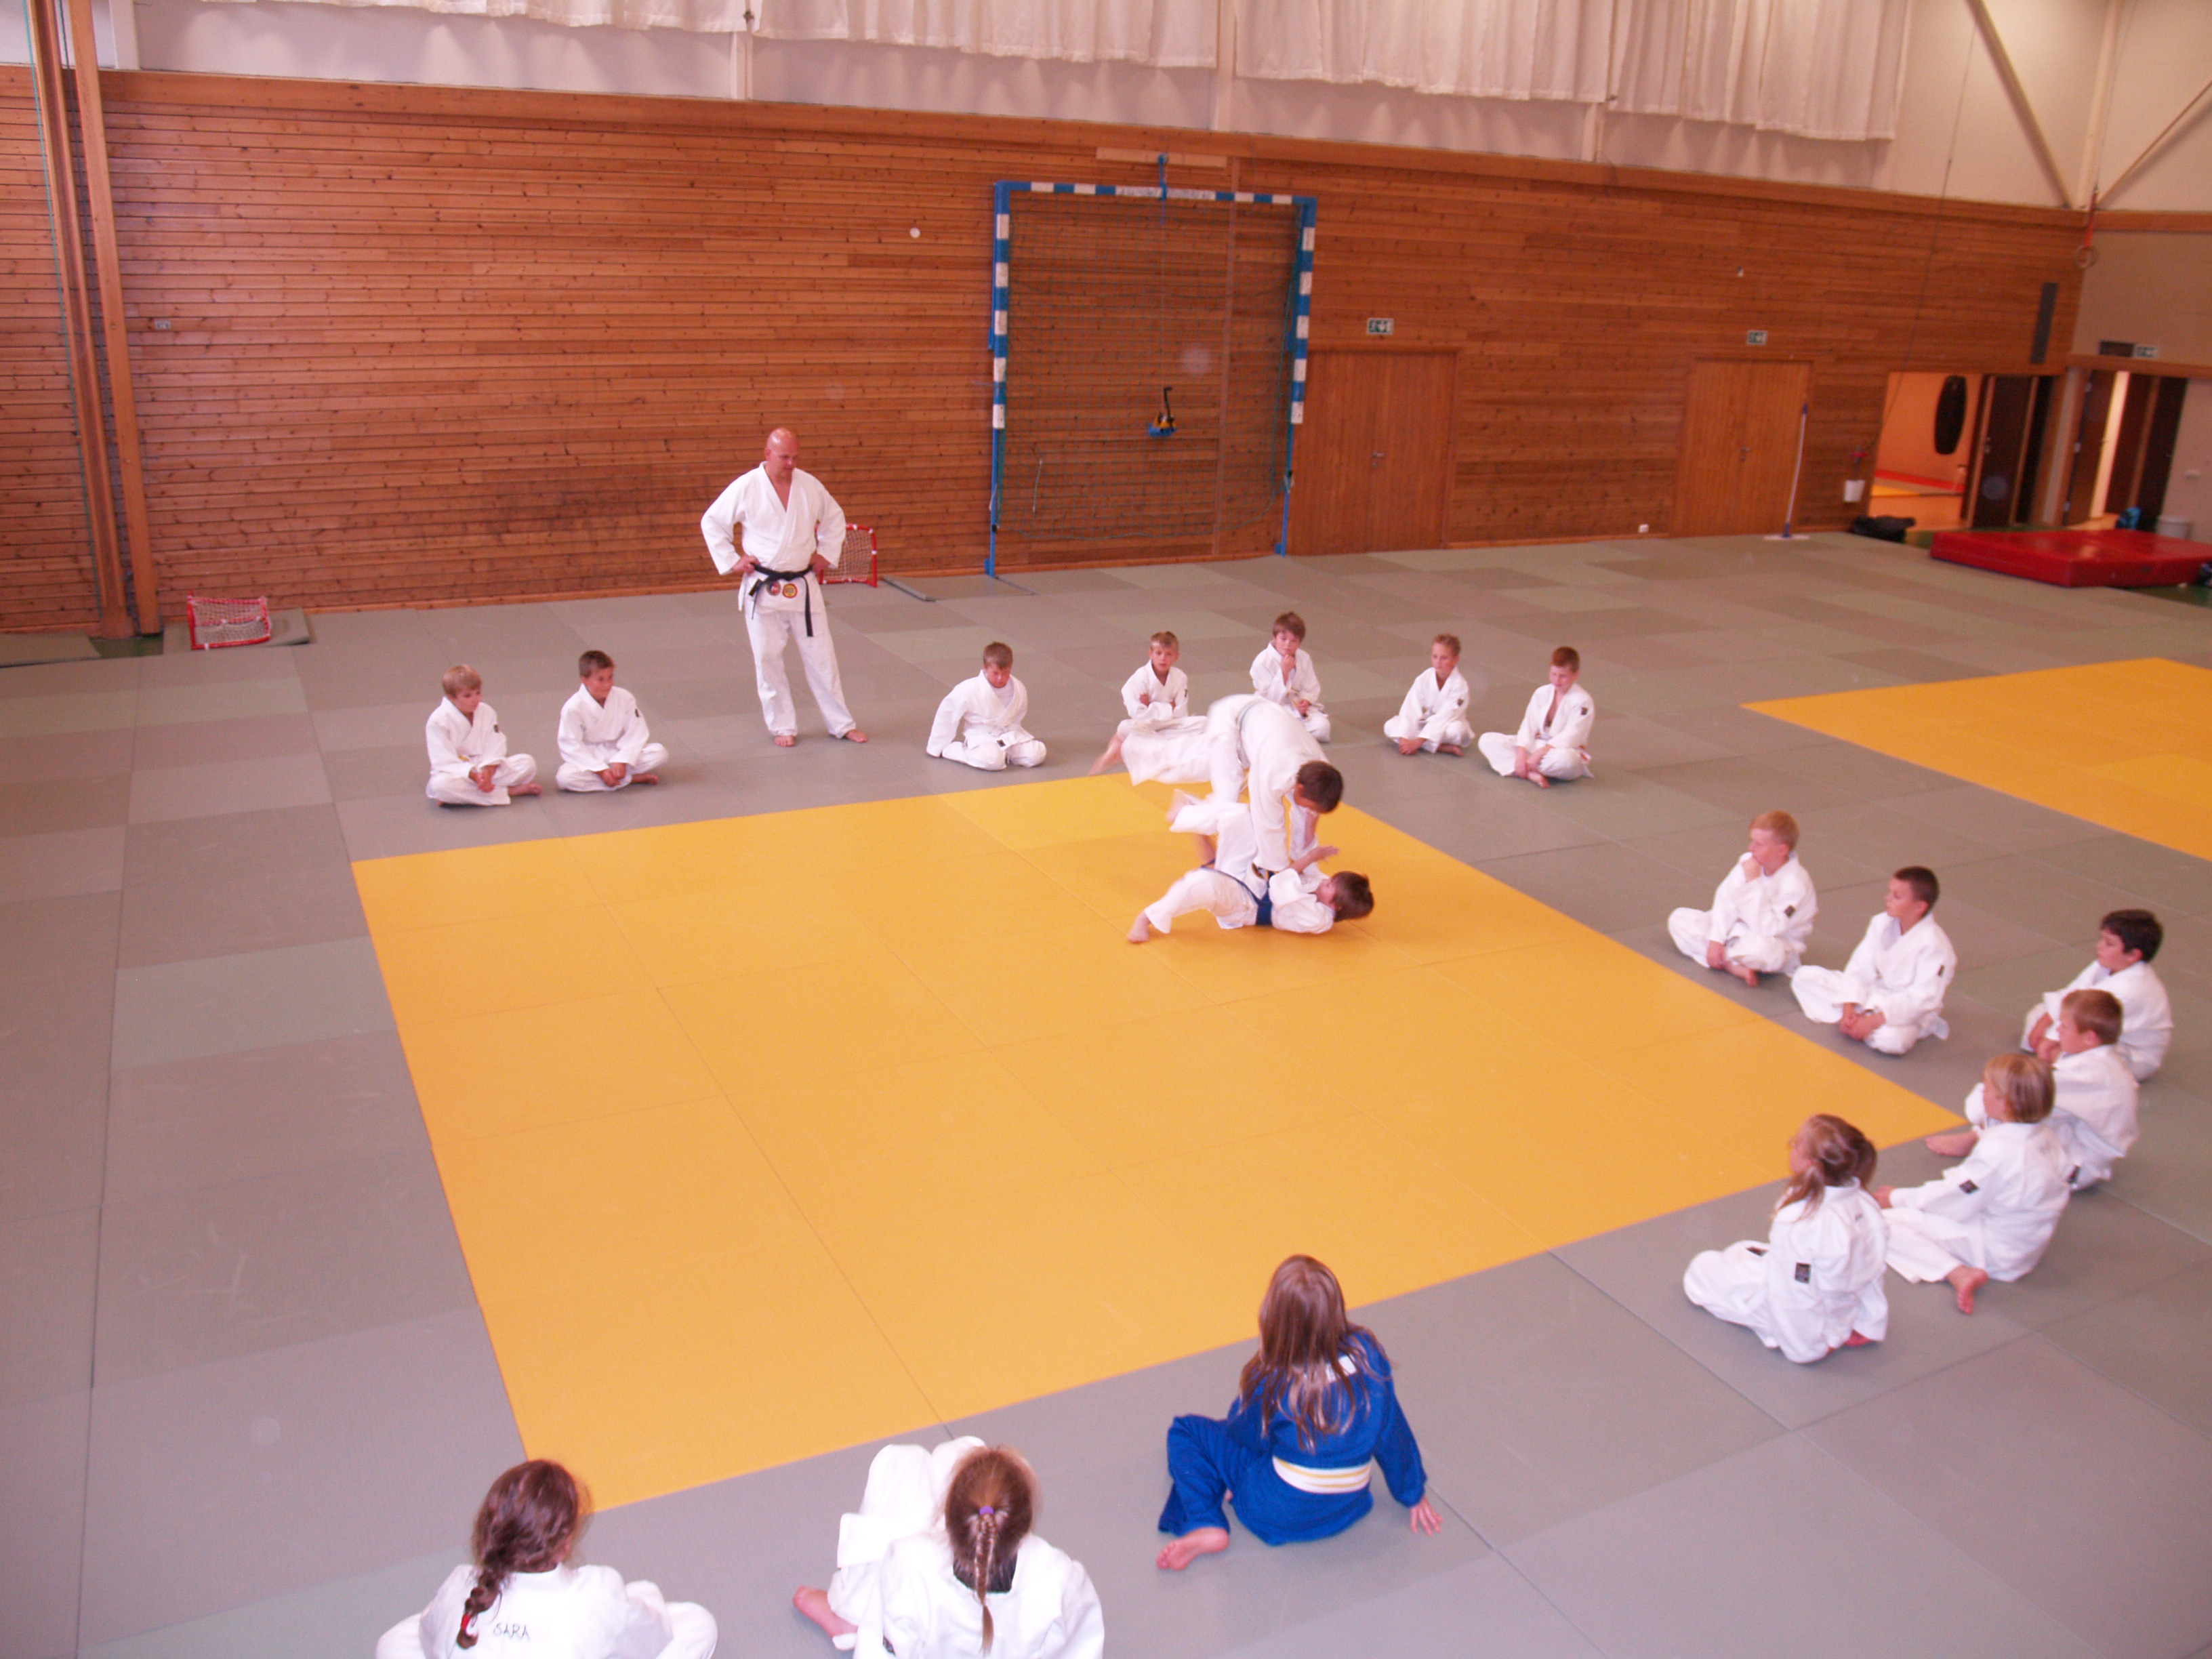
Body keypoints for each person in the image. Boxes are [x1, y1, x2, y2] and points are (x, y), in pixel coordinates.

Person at [1158, 1254, 1439, 1570]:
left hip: (1275, 1511)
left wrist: (1244, 1406)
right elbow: (1392, 1432)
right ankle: (1226, 1483)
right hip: (1348, 1505)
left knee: (1187, 1431)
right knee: (1291, 1441)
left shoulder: (1274, 1378)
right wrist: (1412, 1492)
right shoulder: (1368, 1355)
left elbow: (1243, 1433)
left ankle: (1205, 1522)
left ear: (1273, 1318)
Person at [793, 1438, 1103, 1659]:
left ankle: (847, 1616)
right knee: (965, 1449)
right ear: (1024, 1523)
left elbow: (883, 1650)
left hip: (914, 1598)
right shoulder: (1059, 1576)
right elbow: (1083, 1646)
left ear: (948, 1517)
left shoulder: (910, 1562)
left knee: (901, 1467)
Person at [377, 1460, 716, 1659]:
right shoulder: (599, 1593)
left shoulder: (460, 1584)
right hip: (601, 1616)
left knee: (395, 1641)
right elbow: (655, 1636)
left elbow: (425, 1634)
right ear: (565, 1542)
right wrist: (640, 1597)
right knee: (696, 1623)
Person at [699, 427, 867, 747]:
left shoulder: (809, 485)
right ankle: (782, 726)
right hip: (764, 588)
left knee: (823, 659)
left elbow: (834, 518)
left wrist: (826, 553)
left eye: (795, 458)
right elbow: (713, 521)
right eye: (785, 457)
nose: (791, 464)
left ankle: (841, 724)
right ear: (768, 454)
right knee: (768, 661)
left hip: (803, 586)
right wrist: (732, 560)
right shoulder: (748, 486)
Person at [1682, 1114, 1887, 1363]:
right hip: (1843, 1307)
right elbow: (1874, 1267)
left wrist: (1808, 1348)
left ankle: (1802, 1335)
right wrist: (1869, 1323)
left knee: (1701, 1269)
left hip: (1813, 1322)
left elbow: (1792, 1294)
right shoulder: (1865, 1203)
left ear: (1810, 1163)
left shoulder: (1801, 1221)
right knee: (1743, 1250)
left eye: (1795, 1144)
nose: (1791, 1148)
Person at [1876, 1054, 2070, 1313]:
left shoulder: (2000, 1151)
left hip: (1994, 1252)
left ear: (2006, 1103)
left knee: (1882, 1223)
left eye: (1987, 1089)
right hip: (2026, 1244)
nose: (1981, 1093)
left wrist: (1896, 1198)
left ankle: (1957, 1272)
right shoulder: (2045, 1136)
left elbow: (1952, 1198)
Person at [1935, 989, 2139, 1191]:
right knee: (2024, 1100)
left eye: (2064, 1026)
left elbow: (2020, 1092)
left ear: (2089, 1038)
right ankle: (1980, 1136)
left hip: (2073, 1168)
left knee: (2009, 1101)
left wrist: (1986, 1099)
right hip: (2082, 1147)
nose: (2058, 1030)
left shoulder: (2088, 1074)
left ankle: (1979, 1139)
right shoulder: (2106, 1061)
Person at [1129, 790, 1372, 942]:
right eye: (1331, 879)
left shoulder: (1318, 920)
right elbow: (1305, 861)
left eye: (1330, 885)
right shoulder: (1321, 888)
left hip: (1244, 905)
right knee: (1244, 817)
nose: (1326, 881)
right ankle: (1186, 815)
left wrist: (1309, 859)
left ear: (1335, 906)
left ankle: (1146, 918)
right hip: (1253, 877)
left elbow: (1280, 886)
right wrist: (1310, 827)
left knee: (1201, 883)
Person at [1790, 866, 1954, 1055]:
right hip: (1873, 994)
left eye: (1897, 896)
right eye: (1889, 892)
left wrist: (1875, 1020)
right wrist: (1849, 1005)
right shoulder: (1881, 923)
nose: (1887, 899)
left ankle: (1864, 1024)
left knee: (1893, 1041)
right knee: (1804, 977)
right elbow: (1859, 968)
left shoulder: (1935, 946)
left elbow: (1922, 999)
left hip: (1904, 1010)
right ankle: (1857, 1020)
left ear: (1919, 907)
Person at [1666, 810, 1818, 986]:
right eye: (1751, 841)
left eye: (1759, 844)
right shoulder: (1748, 861)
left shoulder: (1795, 884)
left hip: (1774, 941)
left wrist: (1754, 883)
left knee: (1763, 952)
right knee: (1679, 919)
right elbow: (1726, 901)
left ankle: (1723, 958)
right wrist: (1716, 939)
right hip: (1736, 929)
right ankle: (1731, 964)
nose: (1751, 848)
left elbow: (1768, 928)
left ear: (1781, 850)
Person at [2022, 909, 2171, 1081]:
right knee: (2038, 1014)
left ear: (2133, 955)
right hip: (2086, 1024)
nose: (2099, 946)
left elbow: (2087, 1022)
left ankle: (2060, 1058)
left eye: (2109, 943)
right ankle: (2056, 1054)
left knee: (2083, 1056)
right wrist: (2044, 1023)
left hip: (2131, 1053)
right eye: (2102, 939)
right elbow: (2072, 995)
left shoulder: (2130, 990)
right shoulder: (2108, 963)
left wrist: (2048, 1040)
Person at [1476, 646, 1593, 785]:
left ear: (1576, 675)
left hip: (1560, 751)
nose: (1556, 680)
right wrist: (1521, 752)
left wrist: (1539, 754)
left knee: (1567, 761)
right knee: (1486, 740)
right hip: (1537, 745)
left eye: (1563, 676)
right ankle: (1530, 773)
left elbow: (1573, 735)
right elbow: (1528, 725)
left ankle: (1520, 768)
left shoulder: (1582, 701)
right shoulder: (1541, 693)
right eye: (1553, 674)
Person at [426, 665, 539, 806]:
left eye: (478, 693)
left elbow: (496, 744)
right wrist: (473, 775)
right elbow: (443, 760)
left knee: (528, 763)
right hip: (459, 772)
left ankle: (465, 795)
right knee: (440, 786)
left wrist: (488, 771)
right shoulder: (438, 720)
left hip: (484, 765)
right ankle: (507, 792)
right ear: (451, 697)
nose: (475, 700)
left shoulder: (486, 711)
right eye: (468, 696)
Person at [1091, 631, 1202, 775]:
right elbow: (1137, 713)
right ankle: (1162, 746)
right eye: (1159, 653)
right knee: (1125, 727)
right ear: (1150, 654)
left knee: (1203, 723)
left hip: (1171, 726)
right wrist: (1169, 706)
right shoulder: (1141, 677)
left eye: (1168, 654)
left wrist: (1151, 706)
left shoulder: (1180, 677)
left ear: (1176, 656)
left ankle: (1155, 745)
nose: (1163, 658)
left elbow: (1180, 712)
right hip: (1146, 726)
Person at [556, 651, 668, 792]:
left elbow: (637, 732)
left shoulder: (624, 697)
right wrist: (600, 770)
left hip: (617, 751)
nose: (607, 684)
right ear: (584, 680)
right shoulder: (573, 707)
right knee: (565, 778)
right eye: (600, 680)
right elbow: (570, 744)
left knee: (659, 753)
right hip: (591, 756)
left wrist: (622, 760)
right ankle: (631, 779)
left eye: (610, 678)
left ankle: (615, 777)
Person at [927, 642, 1046, 771]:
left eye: (1005, 673)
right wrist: (937, 746)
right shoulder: (969, 688)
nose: (1000, 678)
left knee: (1037, 754)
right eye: (995, 673)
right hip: (982, 736)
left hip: (1009, 734)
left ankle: (1007, 753)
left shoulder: (1018, 688)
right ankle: (954, 751)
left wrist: (1013, 730)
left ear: (1010, 668)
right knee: (993, 761)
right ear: (985, 668)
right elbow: (947, 714)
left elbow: (1018, 716)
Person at [1385, 635, 1472, 756]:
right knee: (1390, 726)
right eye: (1435, 657)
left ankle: (1424, 743)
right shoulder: (1425, 678)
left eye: (1444, 658)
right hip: (1427, 722)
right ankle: (1440, 747)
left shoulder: (1460, 686)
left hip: (1449, 723)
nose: (1438, 663)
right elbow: (1410, 706)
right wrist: (1404, 737)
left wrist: (1418, 742)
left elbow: (1445, 716)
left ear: (1456, 659)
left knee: (1457, 732)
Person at [1250, 612, 1330, 742]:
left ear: (1299, 643)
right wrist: (1284, 673)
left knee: (1322, 727)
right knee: (1271, 727)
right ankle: (1293, 735)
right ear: (1275, 637)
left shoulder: (1303, 658)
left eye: (1294, 641)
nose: (1288, 645)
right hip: (1273, 709)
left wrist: (1305, 701)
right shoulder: (1263, 661)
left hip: (1297, 709)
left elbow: (1311, 687)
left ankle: (1290, 736)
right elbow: (1268, 699)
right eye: (1283, 639)